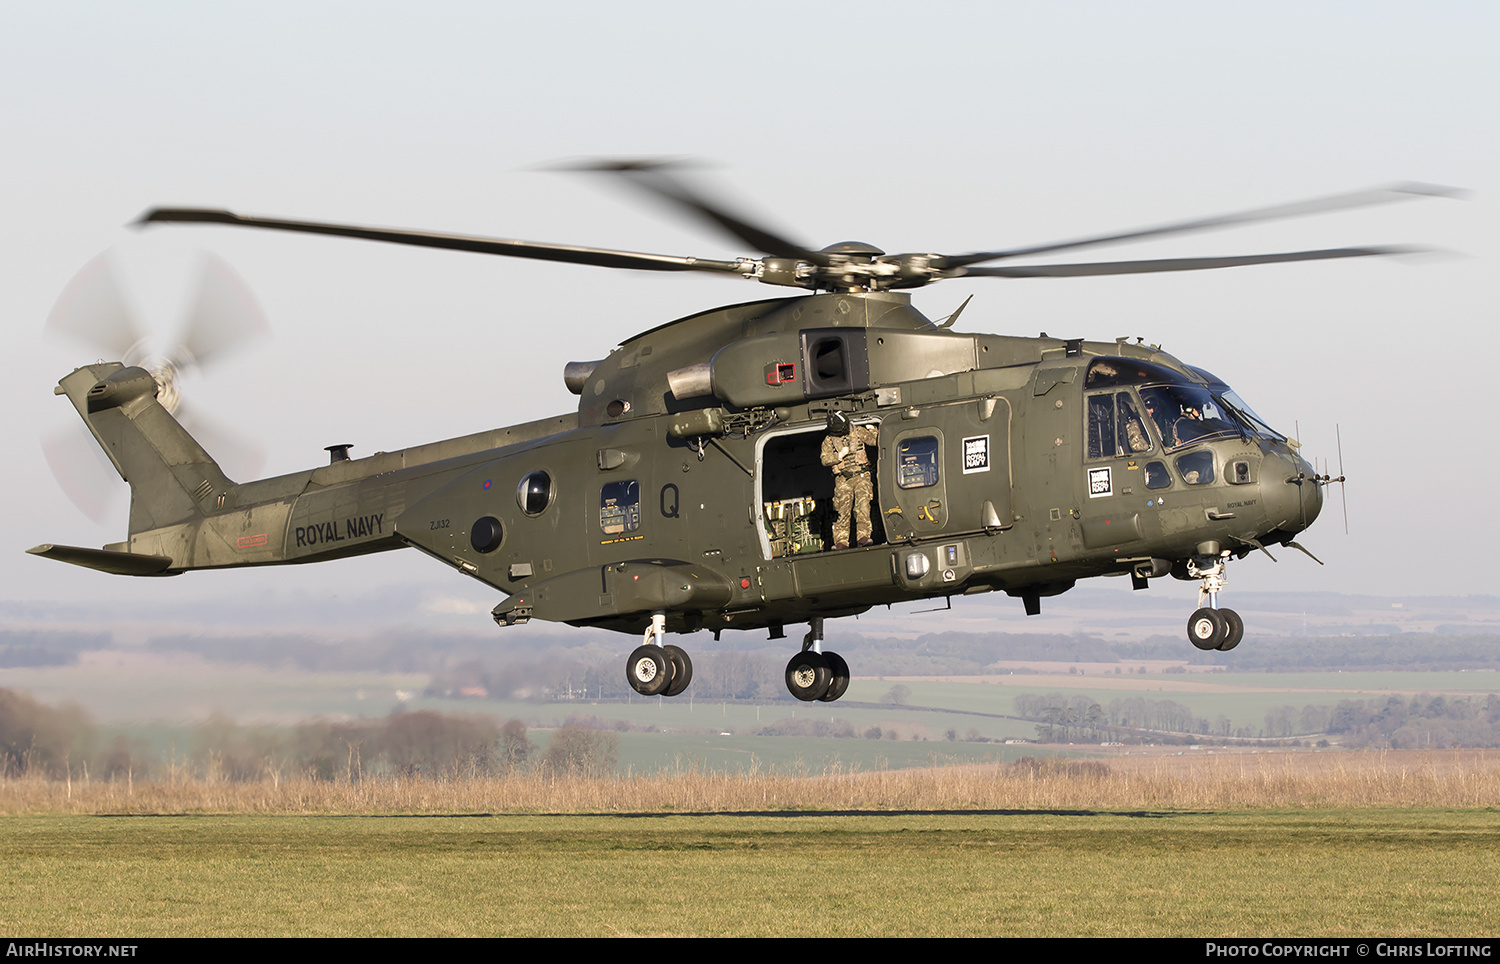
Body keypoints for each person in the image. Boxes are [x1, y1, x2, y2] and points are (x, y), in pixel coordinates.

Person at [820, 412, 879, 550]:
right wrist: (839, 456)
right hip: (843, 479)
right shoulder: (829, 440)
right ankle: (841, 541)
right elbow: (824, 459)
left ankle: (863, 537)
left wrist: (872, 429)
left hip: (861, 475)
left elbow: (875, 441)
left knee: (863, 506)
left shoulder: (857, 431)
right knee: (842, 509)